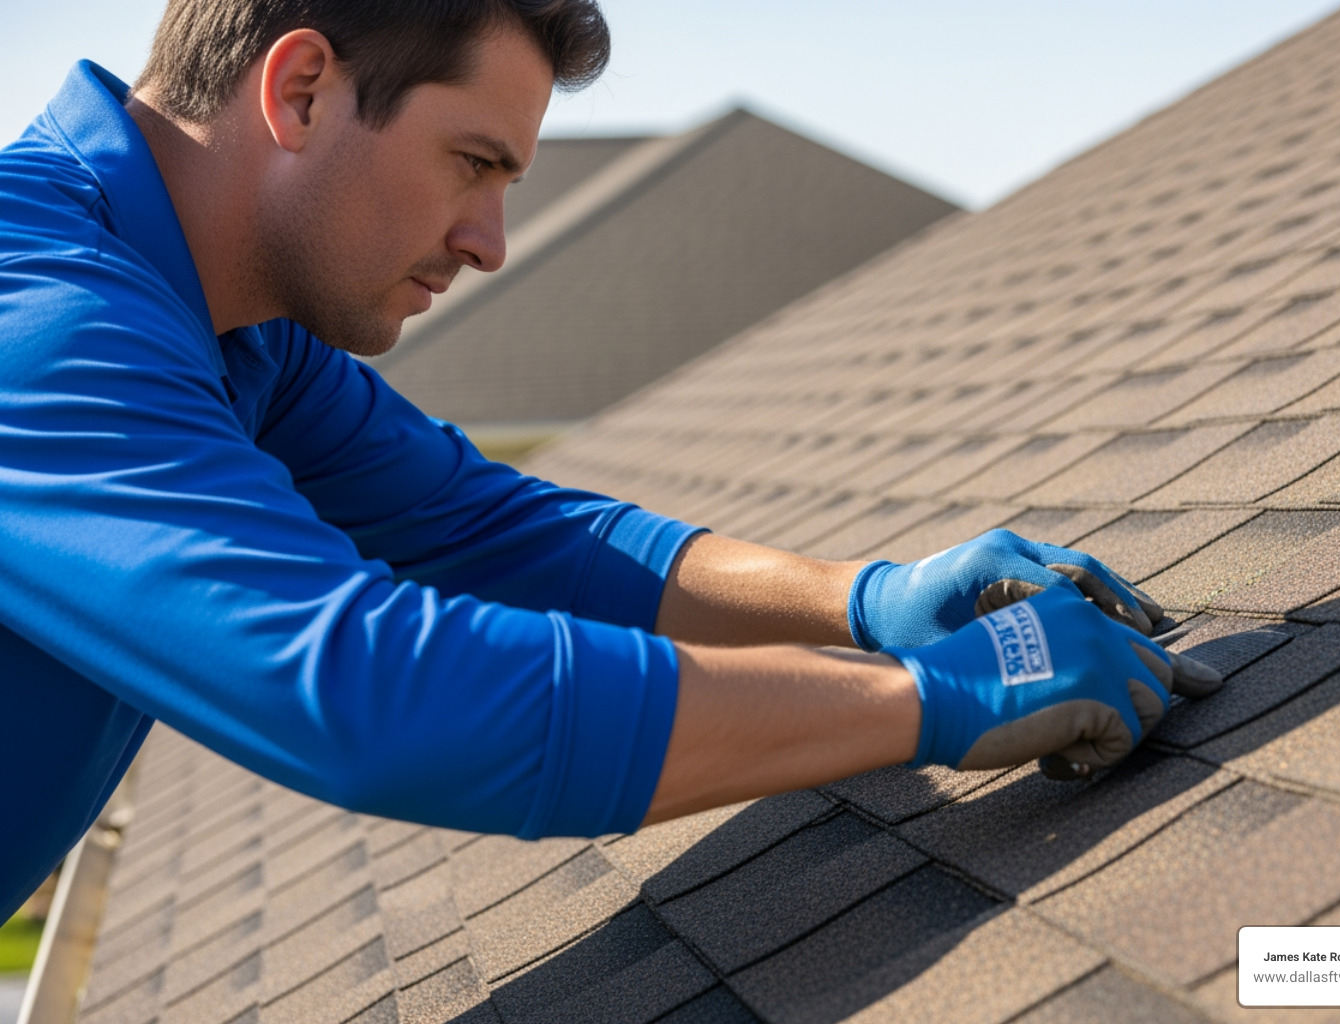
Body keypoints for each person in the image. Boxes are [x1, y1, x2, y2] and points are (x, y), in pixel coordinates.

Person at [0, 0, 1220, 920]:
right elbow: (375, 695)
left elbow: (493, 531)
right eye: (474, 163)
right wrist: (930, 698)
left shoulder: (232, 328)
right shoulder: (42, 316)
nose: (489, 242)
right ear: (303, 89)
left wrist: (866, 600)